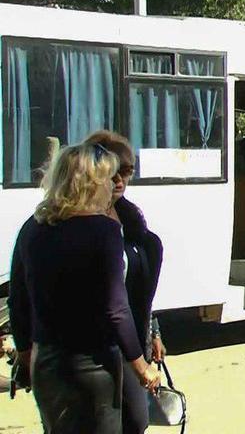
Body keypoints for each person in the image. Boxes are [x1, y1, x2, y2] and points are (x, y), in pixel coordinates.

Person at [8, 143, 161, 433]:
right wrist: (142, 368)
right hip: (92, 364)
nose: (111, 185)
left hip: (48, 363)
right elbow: (116, 308)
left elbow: (18, 300)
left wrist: (27, 356)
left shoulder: (33, 227)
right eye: (106, 178)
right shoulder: (104, 232)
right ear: (91, 183)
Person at [84, 131, 165, 433]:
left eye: (127, 173)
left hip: (131, 339)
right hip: (93, 348)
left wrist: (153, 330)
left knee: (136, 420)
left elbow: (137, 288)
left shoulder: (131, 220)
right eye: (114, 173)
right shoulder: (80, 220)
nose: (120, 181)